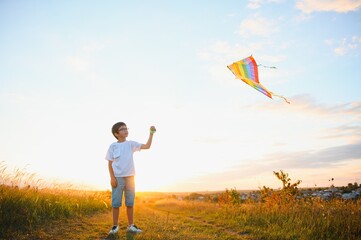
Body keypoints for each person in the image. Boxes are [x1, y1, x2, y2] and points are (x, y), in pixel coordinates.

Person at [105, 122, 156, 235]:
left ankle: (131, 226)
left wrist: (151, 134)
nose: (125, 130)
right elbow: (109, 163)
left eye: (126, 128)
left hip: (130, 178)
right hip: (117, 178)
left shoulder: (131, 144)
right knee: (116, 203)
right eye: (122, 129)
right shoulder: (113, 146)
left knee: (130, 202)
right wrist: (112, 178)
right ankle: (115, 227)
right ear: (116, 134)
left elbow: (147, 146)